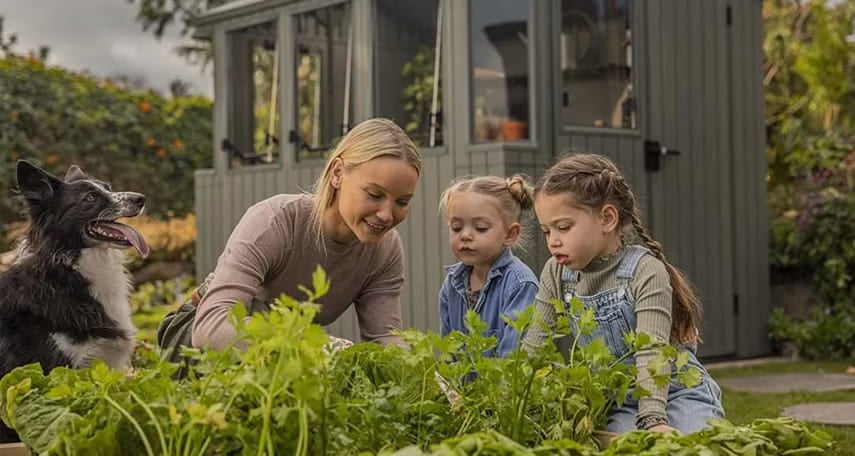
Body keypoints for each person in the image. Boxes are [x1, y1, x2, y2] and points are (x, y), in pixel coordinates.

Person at [157, 118, 421, 356]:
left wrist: (417, 372)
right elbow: (212, 327)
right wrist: (318, 346)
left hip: (282, 355)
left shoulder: (385, 250)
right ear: (337, 173)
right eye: (374, 195)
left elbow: (383, 337)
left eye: (402, 201)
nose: (387, 215)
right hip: (197, 339)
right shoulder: (276, 221)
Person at [522, 152, 724, 434]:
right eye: (546, 231)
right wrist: (512, 397)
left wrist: (654, 419)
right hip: (619, 402)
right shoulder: (556, 273)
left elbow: (651, 350)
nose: (553, 241)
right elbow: (534, 345)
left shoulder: (645, 271)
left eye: (564, 227)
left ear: (607, 218)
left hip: (678, 390)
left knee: (692, 445)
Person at [438, 175, 538, 358]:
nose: (465, 235)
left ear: (510, 234)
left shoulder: (520, 284)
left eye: (481, 228)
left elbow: (514, 358)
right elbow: (448, 351)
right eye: (456, 227)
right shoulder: (452, 283)